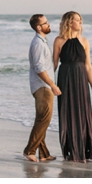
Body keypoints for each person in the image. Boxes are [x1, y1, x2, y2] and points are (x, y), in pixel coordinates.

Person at [53, 12, 92, 162]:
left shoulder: (84, 41)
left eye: (80, 20)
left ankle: (84, 151)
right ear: (69, 22)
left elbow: (88, 66)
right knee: (68, 114)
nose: (80, 23)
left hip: (80, 79)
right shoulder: (59, 41)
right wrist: (50, 84)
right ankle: (72, 151)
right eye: (78, 20)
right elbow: (53, 65)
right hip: (65, 78)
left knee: (83, 114)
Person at [24, 15, 60, 162]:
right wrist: (52, 85)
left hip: (42, 87)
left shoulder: (42, 42)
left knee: (42, 120)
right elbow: (39, 68)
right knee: (43, 120)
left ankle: (44, 154)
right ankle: (29, 150)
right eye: (45, 23)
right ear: (39, 27)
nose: (48, 24)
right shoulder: (38, 44)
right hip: (43, 87)